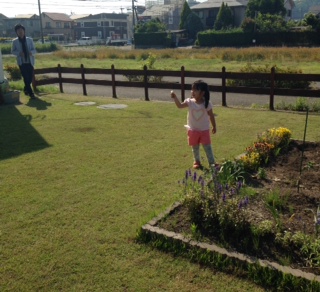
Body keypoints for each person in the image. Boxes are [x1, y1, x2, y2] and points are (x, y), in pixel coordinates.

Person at [171, 80, 217, 169]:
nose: (192, 92)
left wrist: (214, 126)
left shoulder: (207, 104)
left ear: (202, 93)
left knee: (207, 147)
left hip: (204, 130)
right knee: (195, 148)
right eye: (192, 90)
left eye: (195, 90)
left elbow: (211, 116)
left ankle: (212, 163)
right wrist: (175, 97)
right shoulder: (189, 102)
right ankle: (197, 161)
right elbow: (180, 106)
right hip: (193, 130)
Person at [11, 23, 36, 99]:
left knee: (30, 78)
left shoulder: (30, 40)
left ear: (24, 31)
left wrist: (32, 52)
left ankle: (26, 89)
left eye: (21, 30)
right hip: (22, 62)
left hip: (30, 61)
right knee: (25, 77)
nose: (20, 31)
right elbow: (12, 51)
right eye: (18, 30)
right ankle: (31, 93)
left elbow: (34, 49)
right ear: (16, 32)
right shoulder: (14, 41)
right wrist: (19, 53)